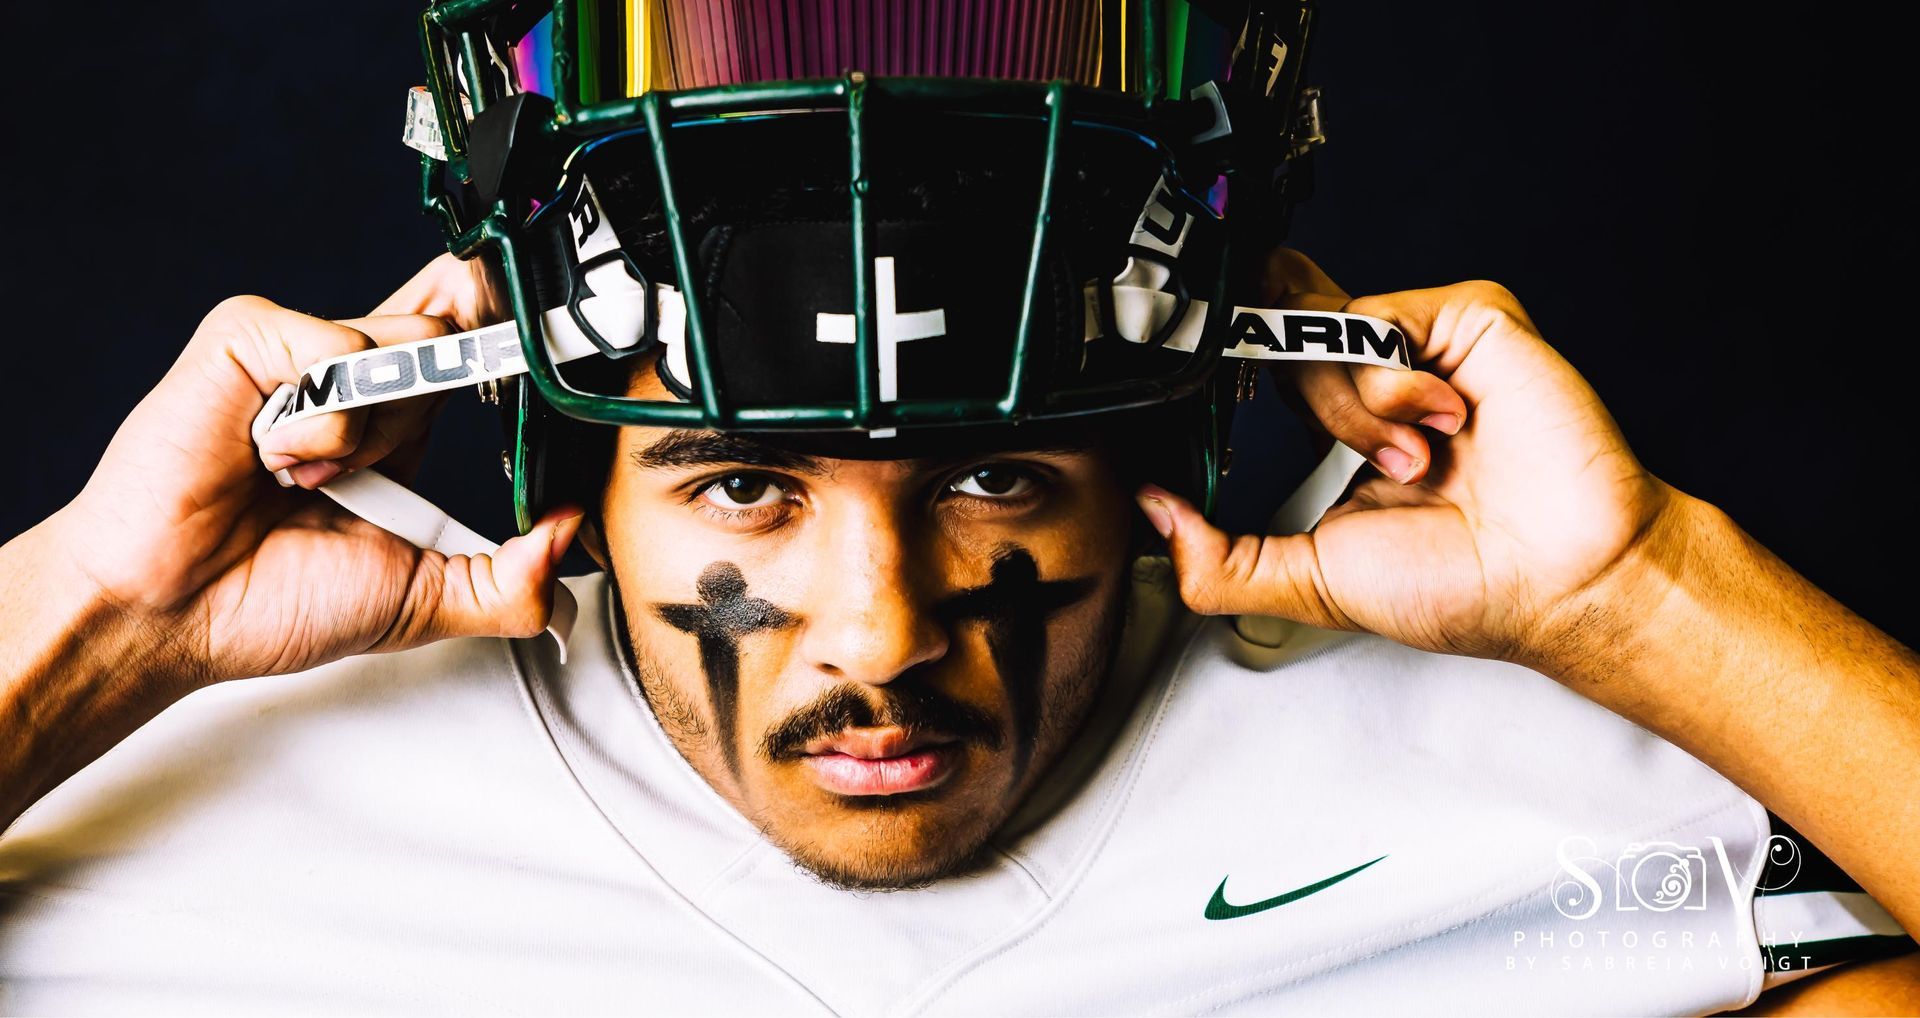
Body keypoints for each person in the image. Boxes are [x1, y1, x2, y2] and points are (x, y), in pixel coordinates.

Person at [2, 0, 1915, 1012]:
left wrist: (1653, 596)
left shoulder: (1512, 790)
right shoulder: (201, 777)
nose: (881, 634)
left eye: (998, 467)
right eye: (746, 476)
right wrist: (94, 615)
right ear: (556, 429)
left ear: (1178, 420)